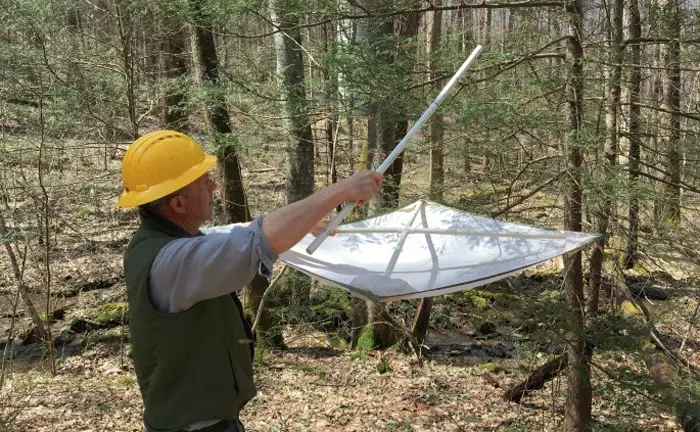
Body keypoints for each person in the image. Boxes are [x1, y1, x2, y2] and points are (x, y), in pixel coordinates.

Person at [118, 130, 383, 432]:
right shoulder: (172, 261)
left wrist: (305, 221)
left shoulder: (163, 242)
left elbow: (230, 233)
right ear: (178, 204)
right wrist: (340, 191)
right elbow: (255, 239)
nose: (214, 186)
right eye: (203, 182)